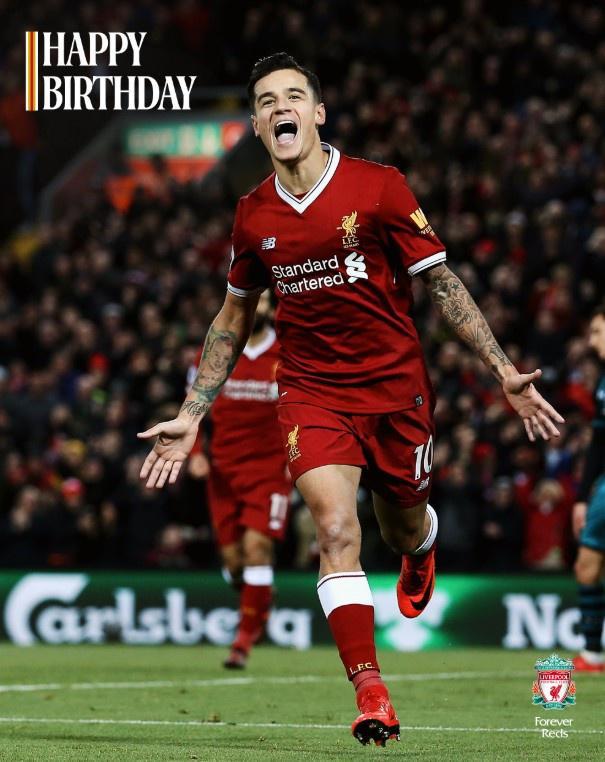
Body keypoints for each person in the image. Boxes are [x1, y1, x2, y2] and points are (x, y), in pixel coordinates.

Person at [138, 53, 564, 747]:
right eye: (266, 101)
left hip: (396, 393)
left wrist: (501, 369)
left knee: (400, 528)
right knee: (336, 531)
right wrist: (192, 412)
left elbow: (442, 283)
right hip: (311, 393)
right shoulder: (252, 215)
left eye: (293, 96)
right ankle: (371, 691)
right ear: (256, 126)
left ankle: (421, 544)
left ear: (317, 113)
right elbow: (232, 317)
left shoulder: (378, 187)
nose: (280, 107)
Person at [187, 291, 290, 669]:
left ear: (272, 308)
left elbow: (303, 409)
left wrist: (297, 457)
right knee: (234, 564)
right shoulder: (218, 350)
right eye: (253, 299)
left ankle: (242, 643)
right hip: (223, 472)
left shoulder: (287, 354)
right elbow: (193, 407)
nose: (256, 306)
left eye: (264, 301)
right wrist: (196, 454)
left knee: (257, 550)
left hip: (270, 472)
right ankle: (258, 600)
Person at [572, 305, 605, 672]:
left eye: (597, 332)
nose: (592, 340)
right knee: (588, 564)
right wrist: (582, 498)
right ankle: (593, 653)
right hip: (603, 489)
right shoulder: (602, 384)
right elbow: (598, 444)